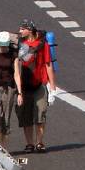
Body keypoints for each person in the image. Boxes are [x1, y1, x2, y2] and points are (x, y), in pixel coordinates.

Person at [14, 20, 56, 154]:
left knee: (40, 115)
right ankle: (29, 143)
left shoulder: (43, 45)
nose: (20, 31)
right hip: (24, 86)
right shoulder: (19, 44)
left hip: (39, 85)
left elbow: (48, 64)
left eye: (22, 29)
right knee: (25, 117)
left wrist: (53, 87)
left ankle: (39, 142)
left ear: (30, 30)